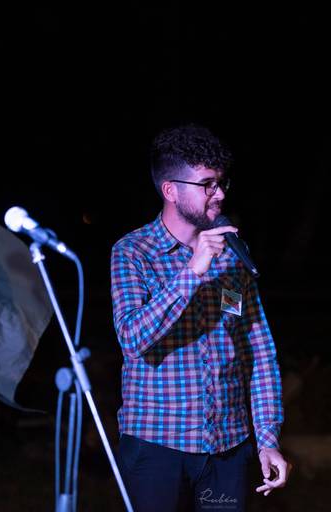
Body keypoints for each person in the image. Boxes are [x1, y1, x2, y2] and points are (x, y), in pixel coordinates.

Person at [110, 123, 291, 511]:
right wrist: (192, 270)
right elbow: (132, 338)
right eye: (207, 184)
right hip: (157, 448)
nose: (219, 193)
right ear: (171, 190)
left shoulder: (232, 255)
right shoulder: (133, 252)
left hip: (227, 448)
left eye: (221, 183)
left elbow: (259, 352)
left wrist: (267, 439)